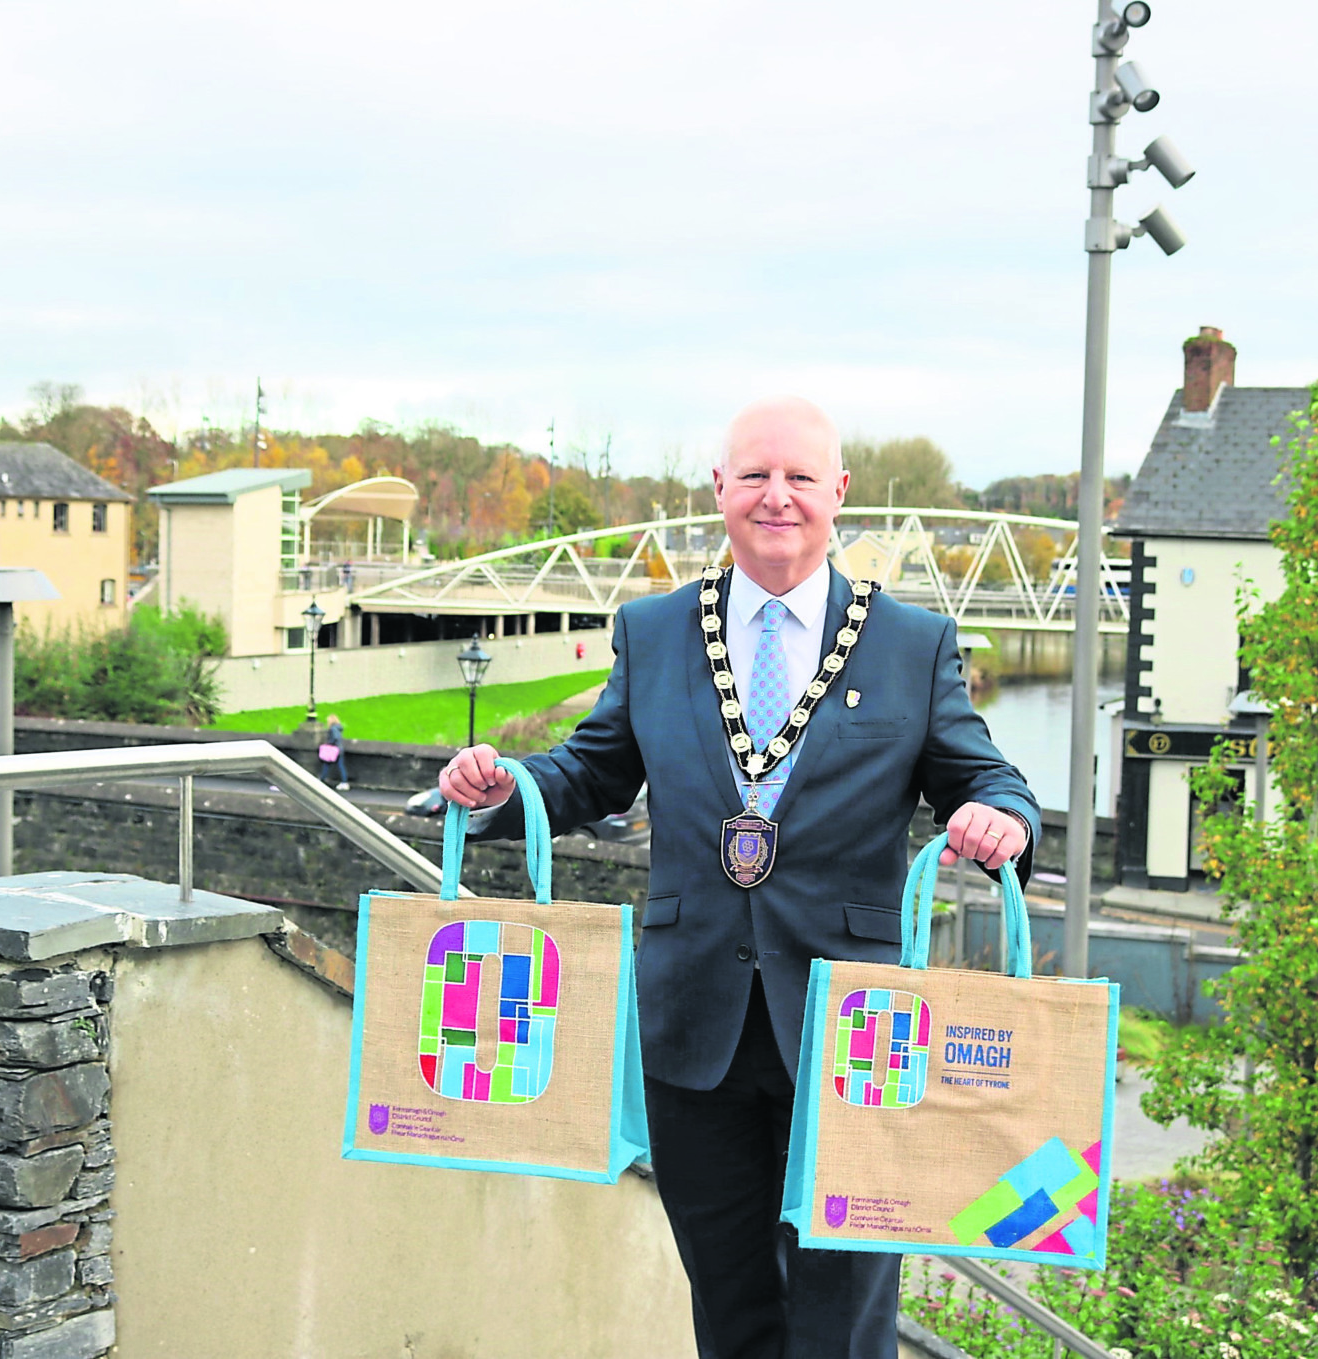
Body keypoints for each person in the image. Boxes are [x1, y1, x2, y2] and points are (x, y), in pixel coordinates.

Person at [439, 395, 1037, 1359]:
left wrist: (1000, 815)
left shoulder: (910, 646)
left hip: (856, 1038)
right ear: (719, 489)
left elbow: (985, 775)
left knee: (842, 1323)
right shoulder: (655, 628)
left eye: (801, 477)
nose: (777, 497)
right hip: (693, 1027)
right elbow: (590, 770)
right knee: (731, 1310)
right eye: (755, 474)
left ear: (839, 494)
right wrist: (500, 788)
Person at [319, 714, 350, 791]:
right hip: (339, 749)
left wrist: (329, 743)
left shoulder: (333, 729)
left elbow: (335, 738)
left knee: (328, 764)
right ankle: (344, 782)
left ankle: (322, 779)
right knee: (339, 765)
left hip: (334, 750)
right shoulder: (338, 728)